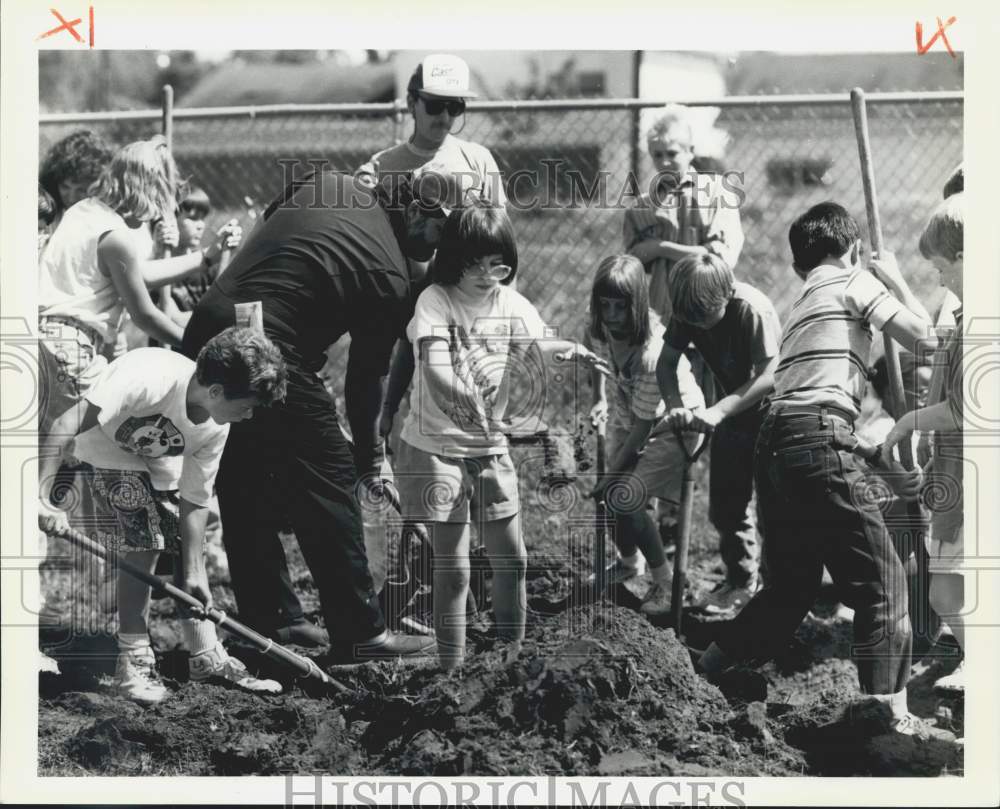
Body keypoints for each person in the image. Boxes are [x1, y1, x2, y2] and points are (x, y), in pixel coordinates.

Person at [180, 166, 479, 661]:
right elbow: (365, 380)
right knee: (328, 477)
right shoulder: (387, 274)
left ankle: (272, 619)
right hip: (265, 347)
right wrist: (367, 458)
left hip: (209, 326)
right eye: (439, 230)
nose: (439, 245)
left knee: (244, 480)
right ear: (411, 208)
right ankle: (361, 632)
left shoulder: (328, 180)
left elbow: (274, 221)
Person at [697, 201, 953, 744]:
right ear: (854, 249)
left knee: (789, 588)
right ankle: (889, 721)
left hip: (776, 441)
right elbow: (928, 340)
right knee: (883, 585)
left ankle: (703, 670)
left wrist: (870, 452)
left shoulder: (801, 303)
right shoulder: (852, 281)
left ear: (799, 264)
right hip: (814, 433)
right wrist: (894, 281)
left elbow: (808, 405)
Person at [394, 203, 609, 669]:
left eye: (498, 264)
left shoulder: (510, 303)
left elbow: (535, 347)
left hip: (491, 449)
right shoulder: (436, 301)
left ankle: (512, 661)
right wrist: (462, 398)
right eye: (474, 263)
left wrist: (569, 351)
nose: (487, 275)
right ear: (454, 259)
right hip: (439, 451)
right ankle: (450, 670)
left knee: (513, 560)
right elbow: (433, 370)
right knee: (453, 571)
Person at [38, 327, 288, 705]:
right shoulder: (149, 379)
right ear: (217, 392)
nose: (250, 415)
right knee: (143, 539)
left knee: (177, 538)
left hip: (157, 453)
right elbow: (64, 425)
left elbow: (195, 498)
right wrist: (43, 498)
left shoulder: (216, 425)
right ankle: (133, 659)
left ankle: (205, 654)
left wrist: (193, 571)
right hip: (105, 443)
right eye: (247, 406)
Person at [657, 253, 781, 617]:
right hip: (729, 417)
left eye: (706, 321)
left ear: (726, 294)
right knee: (726, 506)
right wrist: (675, 405)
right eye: (692, 322)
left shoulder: (751, 310)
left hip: (773, 418)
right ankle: (740, 581)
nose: (701, 329)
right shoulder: (690, 309)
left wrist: (717, 411)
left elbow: (770, 376)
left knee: (772, 512)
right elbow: (666, 363)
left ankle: (775, 591)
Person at [585, 255, 703, 616]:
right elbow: (597, 362)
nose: (611, 315)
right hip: (630, 415)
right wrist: (599, 398)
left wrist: (610, 475)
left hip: (675, 424)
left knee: (625, 497)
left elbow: (644, 427)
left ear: (635, 305)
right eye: (604, 305)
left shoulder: (653, 354)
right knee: (610, 500)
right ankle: (629, 561)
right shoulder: (600, 329)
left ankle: (666, 582)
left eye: (619, 307)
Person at [882, 193, 965, 697]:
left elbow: (967, 408)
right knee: (948, 587)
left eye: (942, 267)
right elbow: (935, 342)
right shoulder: (964, 312)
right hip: (951, 469)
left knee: (946, 589)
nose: (938, 278)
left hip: (967, 477)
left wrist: (909, 420)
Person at [356, 53, 505, 207]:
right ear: (411, 103)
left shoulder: (479, 159)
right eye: (435, 106)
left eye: (454, 107)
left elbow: (498, 226)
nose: (445, 117)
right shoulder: (381, 167)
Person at [39, 129, 115, 231]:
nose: (71, 198)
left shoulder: (110, 220)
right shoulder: (47, 217)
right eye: (65, 187)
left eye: (81, 190)